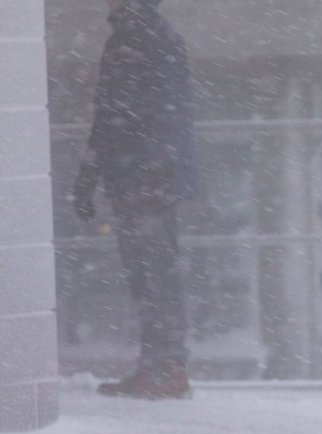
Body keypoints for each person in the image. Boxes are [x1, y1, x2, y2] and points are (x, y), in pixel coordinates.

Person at [72, 0, 197, 399]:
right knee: (150, 273)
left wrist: (99, 172)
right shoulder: (139, 36)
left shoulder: (141, 37)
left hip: (141, 176)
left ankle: (166, 367)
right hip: (140, 174)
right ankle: (159, 366)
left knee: (152, 274)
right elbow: (120, 112)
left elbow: (123, 112)